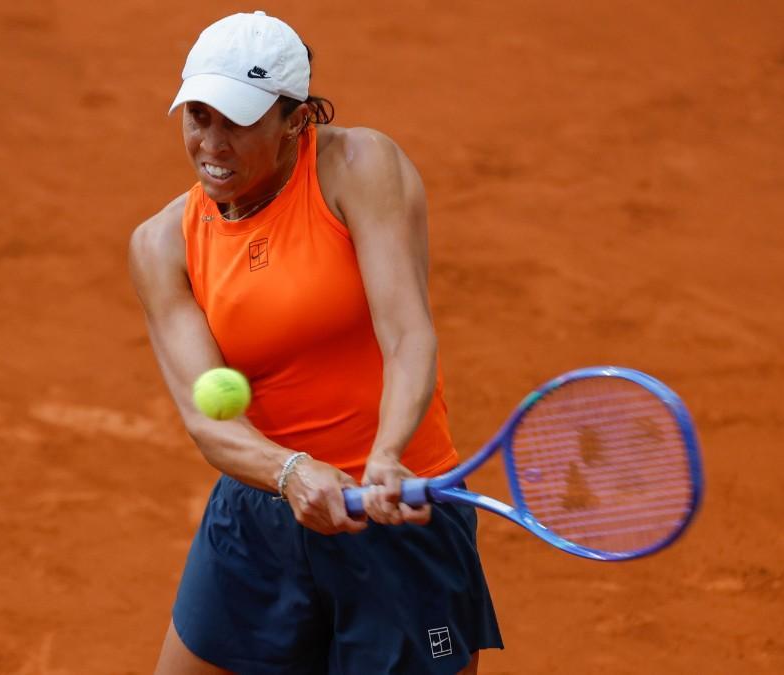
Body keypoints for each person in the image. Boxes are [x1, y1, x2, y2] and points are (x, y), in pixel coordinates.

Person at [129, 11, 503, 674]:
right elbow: (207, 422)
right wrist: (288, 471)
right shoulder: (162, 244)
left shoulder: (359, 168)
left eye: (238, 122)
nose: (212, 143)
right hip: (261, 510)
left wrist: (386, 456)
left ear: (296, 121)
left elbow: (407, 331)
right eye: (199, 116)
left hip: (394, 511)